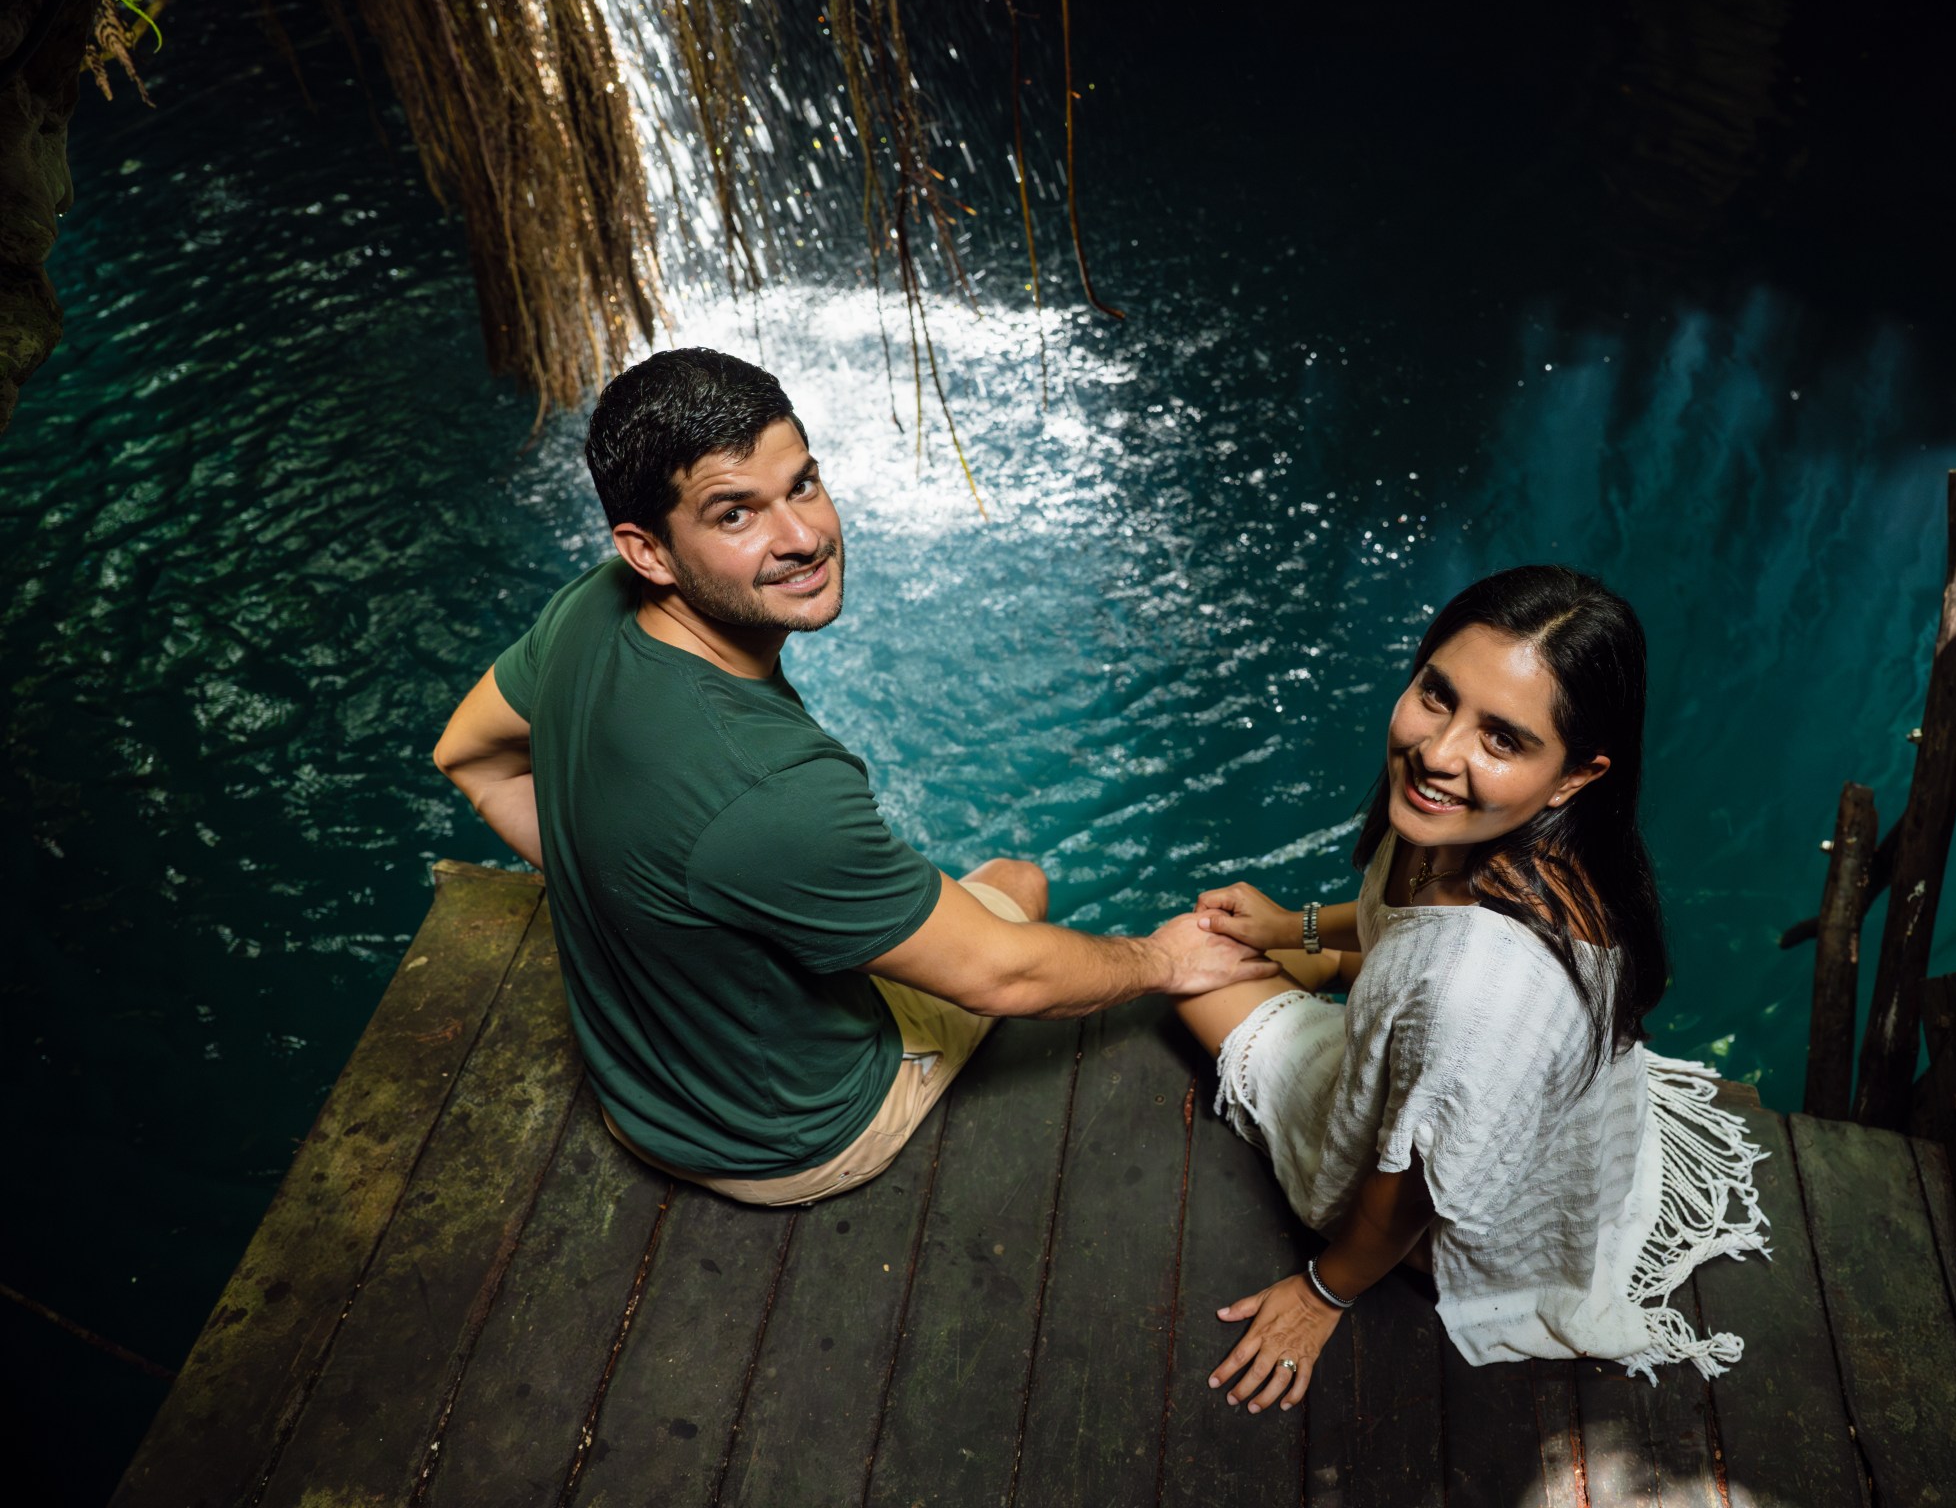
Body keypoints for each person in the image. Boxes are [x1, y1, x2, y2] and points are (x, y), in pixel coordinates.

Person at [430, 348, 1271, 1207]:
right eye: (734, 514)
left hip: (636, 1099)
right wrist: (1163, 958)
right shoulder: (775, 790)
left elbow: (467, 756)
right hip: (785, 1140)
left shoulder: (588, 609)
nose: (802, 538)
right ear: (648, 550)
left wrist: (622, 889)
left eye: (802, 485)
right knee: (1020, 881)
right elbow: (1006, 977)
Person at [1176, 566, 1770, 1415]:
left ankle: (1324, 1000)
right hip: (1479, 1085)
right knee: (1256, 950)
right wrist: (1296, 929)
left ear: (1573, 777)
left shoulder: (1484, 996)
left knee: (1189, 958)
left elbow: (1414, 1188)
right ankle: (1329, 981)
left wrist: (1322, 1293)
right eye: (1436, 695)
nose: (1438, 752)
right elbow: (1400, 918)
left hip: (1444, 1208)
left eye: (1503, 740)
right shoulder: (1487, 831)